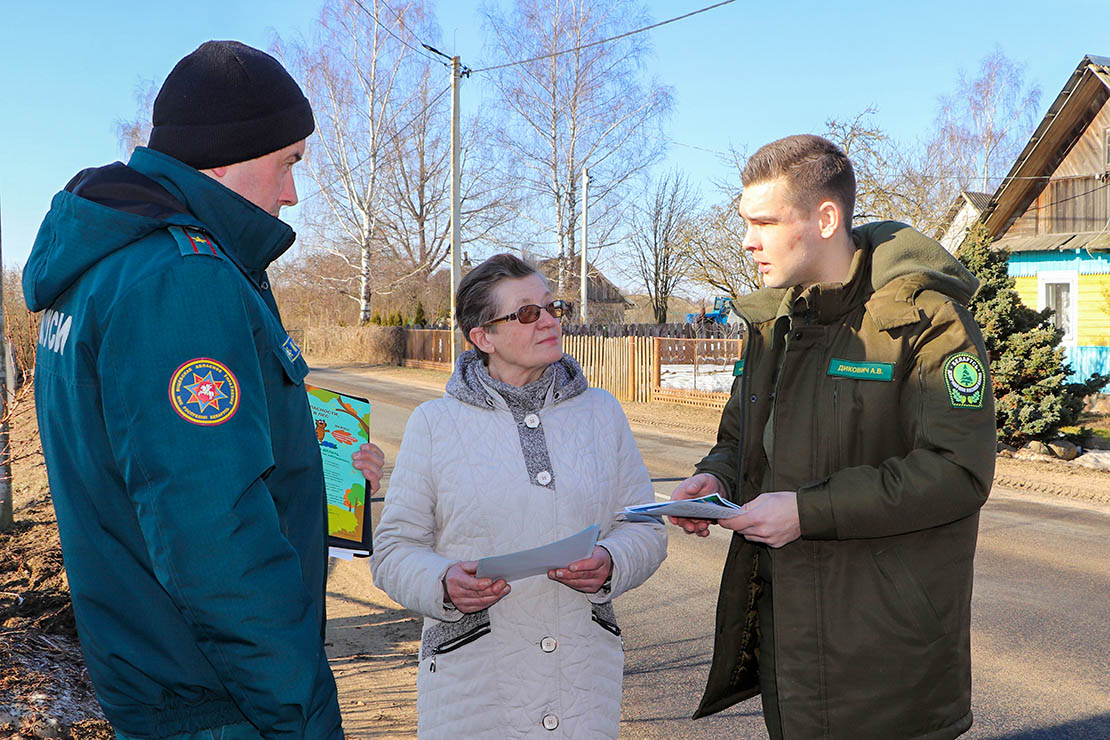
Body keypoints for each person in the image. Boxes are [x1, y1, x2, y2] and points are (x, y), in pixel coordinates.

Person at [24, 40, 384, 739]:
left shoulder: (107, 266)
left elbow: (152, 465)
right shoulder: (181, 278)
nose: (291, 193)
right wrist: (301, 710)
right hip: (218, 701)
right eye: (288, 163)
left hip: (163, 679)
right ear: (227, 157)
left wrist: (314, 463)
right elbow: (213, 536)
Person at [669, 134, 996, 740]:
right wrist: (716, 478)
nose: (747, 241)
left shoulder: (924, 321)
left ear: (825, 219)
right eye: (745, 222)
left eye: (765, 222)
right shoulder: (772, 324)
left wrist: (806, 511)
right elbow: (741, 439)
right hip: (791, 648)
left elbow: (958, 471)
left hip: (888, 656)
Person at [367, 254, 668, 738]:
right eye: (527, 313)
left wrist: (612, 562)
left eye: (552, 307)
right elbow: (394, 550)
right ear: (483, 337)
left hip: (581, 682)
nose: (549, 320)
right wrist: (443, 583)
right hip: (474, 688)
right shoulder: (435, 424)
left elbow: (644, 523)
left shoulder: (601, 413)